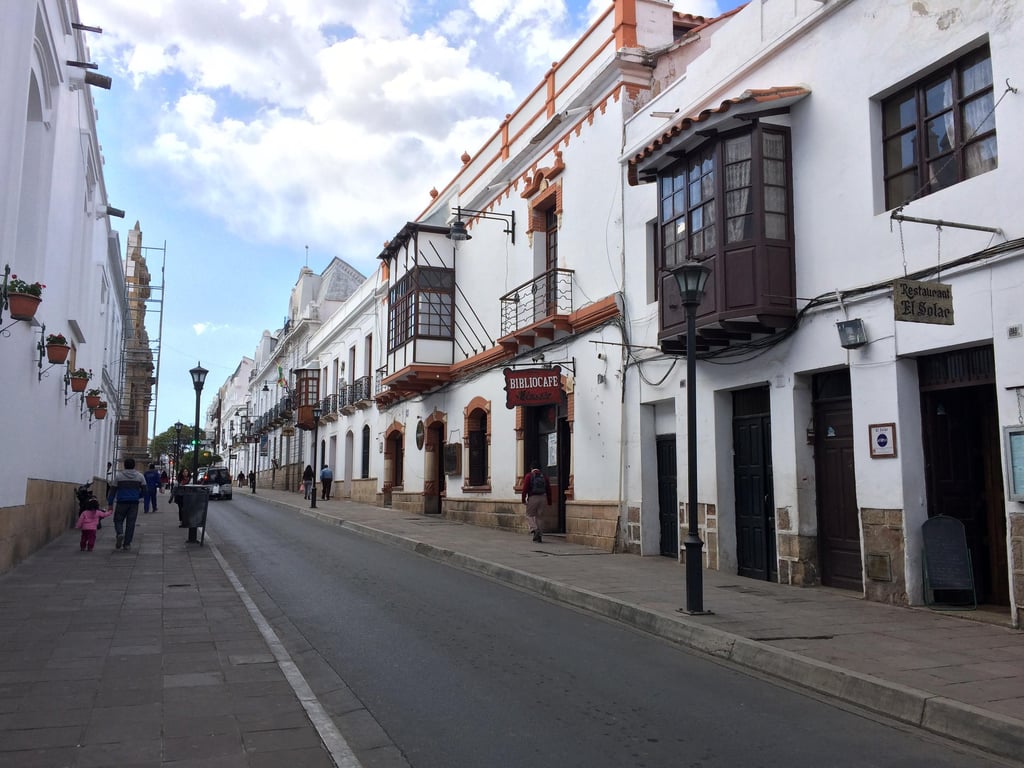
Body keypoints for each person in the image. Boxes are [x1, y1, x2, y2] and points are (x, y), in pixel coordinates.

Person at [106, 457, 146, 551]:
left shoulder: (119, 476)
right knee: (131, 523)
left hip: (121, 502)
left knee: (118, 520)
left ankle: (120, 533)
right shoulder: (140, 476)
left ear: (124, 465)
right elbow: (145, 490)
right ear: (134, 465)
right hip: (134, 503)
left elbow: (112, 491)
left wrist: (110, 503)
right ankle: (127, 544)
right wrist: (137, 496)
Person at [520, 462, 551, 543]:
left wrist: (523, 499)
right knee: (539, 517)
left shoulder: (529, 476)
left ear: (531, 468)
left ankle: (535, 529)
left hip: (533, 497)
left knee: (529, 515)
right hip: (543, 497)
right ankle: (539, 535)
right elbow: (548, 489)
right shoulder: (544, 476)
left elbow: (525, 489)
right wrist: (549, 501)